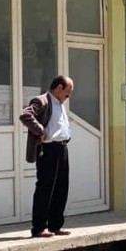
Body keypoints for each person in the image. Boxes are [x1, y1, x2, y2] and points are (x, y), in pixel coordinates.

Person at [19, 76, 74, 238]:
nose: (68, 96)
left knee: (61, 186)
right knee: (45, 187)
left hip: (62, 148)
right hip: (48, 149)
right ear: (59, 88)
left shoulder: (60, 104)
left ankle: (56, 224)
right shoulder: (41, 100)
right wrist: (40, 131)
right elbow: (25, 115)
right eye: (67, 93)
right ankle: (39, 228)